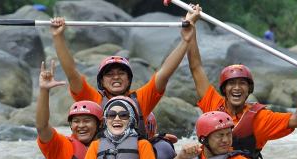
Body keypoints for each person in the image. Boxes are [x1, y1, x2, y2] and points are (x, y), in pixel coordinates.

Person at [186, 5, 297, 159]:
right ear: (224, 89)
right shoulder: (213, 104)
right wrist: (191, 27)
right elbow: (196, 67)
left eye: (242, 83)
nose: (237, 88)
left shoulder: (260, 118)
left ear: (249, 90)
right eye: (231, 83)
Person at [48, 6, 201, 137]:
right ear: (101, 81)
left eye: (121, 73)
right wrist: (58, 37)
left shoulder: (141, 100)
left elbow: (164, 73)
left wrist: (186, 40)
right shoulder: (92, 99)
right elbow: (71, 73)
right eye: (109, 74)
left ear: (129, 79)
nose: (116, 77)